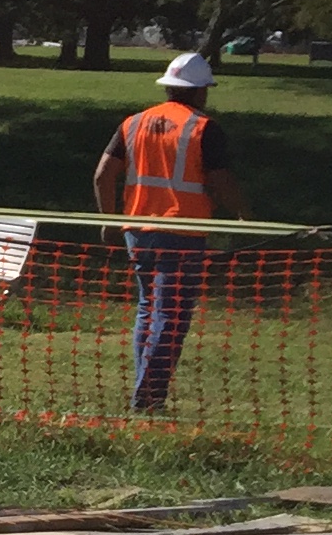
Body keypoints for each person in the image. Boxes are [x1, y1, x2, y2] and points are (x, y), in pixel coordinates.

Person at [91, 52, 246, 413]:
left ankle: (145, 392)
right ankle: (147, 400)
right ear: (201, 90)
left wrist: (109, 221)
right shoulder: (204, 127)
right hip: (182, 231)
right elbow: (221, 181)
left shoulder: (134, 122)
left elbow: (102, 175)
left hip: (136, 230)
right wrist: (243, 215)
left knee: (149, 311)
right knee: (171, 315)